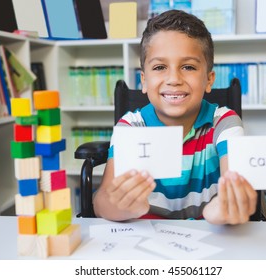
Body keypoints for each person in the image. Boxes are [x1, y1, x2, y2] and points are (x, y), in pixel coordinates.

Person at [93, 9, 257, 225]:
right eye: (160, 67)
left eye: (188, 67)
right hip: (144, 238)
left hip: (211, 234)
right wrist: (119, 206)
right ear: (143, 80)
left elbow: (238, 190)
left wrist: (223, 209)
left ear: (209, 80)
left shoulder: (225, 123)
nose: (173, 79)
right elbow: (101, 202)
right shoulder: (130, 127)